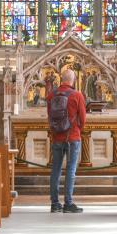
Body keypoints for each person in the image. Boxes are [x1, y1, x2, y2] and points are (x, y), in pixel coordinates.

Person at [46, 68, 86, 213]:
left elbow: (50, 117)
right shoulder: (77, 95)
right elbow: (82, 119)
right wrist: (76, 130)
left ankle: (54, 203)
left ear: (61, 79)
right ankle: (68, 203)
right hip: (72, 137)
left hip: (57, 138)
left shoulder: (51, 96)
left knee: (55, 170)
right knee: (70, 169)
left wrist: (57, 132)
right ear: (73, 80)